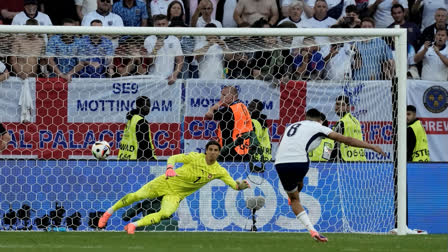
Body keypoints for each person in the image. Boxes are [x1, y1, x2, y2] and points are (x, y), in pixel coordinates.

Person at [275, 108, 385, 242]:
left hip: (280, 162)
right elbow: (346, 140)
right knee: (298, 183)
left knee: (294, 199)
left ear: (306, 117)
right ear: (320, 121)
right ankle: (296, 194)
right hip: (300, 162)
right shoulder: (319, 127)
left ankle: (312, 229)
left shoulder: (292, 125)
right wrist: (371, 146)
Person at [98, 140, 251, 234]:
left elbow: (234, 186)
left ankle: (133, 225)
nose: (212, 152)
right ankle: (108, 214)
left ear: (218, 153)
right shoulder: (195, 157)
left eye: (215, 150)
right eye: (210, 149)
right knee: (137, 195)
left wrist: (243, 186)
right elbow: (173, 157)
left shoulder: (219, 171)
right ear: (206, 151)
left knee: (165, 213)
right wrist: (170, 168)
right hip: (165, 182)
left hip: (176, 195)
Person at [205, 86, 254, 161]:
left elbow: (208, 115)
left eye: (224, 95)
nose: (221, 97)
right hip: (244, 149)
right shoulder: (243, 107)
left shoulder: (229, 110)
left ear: (231, 97)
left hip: (230, 151)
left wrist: (218, 105)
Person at [143, 14, 184, 85]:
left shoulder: (174, 39)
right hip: (152, 79)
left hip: (168, 79)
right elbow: (148, 63)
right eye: (158, 24)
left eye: (163, 24)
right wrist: (155, 49)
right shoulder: (149, 40)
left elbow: (180, 60)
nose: (161, 27)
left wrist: (175, 74)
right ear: (154, 25)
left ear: (167, 24)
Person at [118, 96, 156, 160]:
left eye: (149, 105)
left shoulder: (132, 119)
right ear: (138, 106)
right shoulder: (141, 122)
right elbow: (144, 144)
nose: (148, 108)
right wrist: (152, 159)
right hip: (137, 161)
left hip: (125, 158)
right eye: (145, 105)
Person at [330, 95, 367, 162]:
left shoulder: (342, 122)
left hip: (345, 161)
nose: (338, 107)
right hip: (360, 159)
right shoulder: (356, 121)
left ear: (348, 108)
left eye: (342, 105)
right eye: (337, 104)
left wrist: (329, 161)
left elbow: (334, 144)